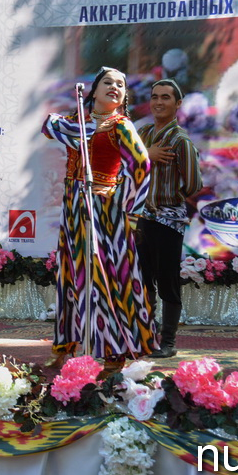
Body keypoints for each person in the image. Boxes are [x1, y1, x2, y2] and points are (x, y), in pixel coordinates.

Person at [42, 67, 156, 374]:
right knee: (71, 273)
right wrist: (80, 122)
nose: (115, 87)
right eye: (108, 82)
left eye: (121, 85)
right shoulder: (76, 123)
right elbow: (48, 126)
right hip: (73, 208)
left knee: (104, 277)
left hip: (104, 213)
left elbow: (142, 165)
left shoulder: (121, 126)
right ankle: (66, 347)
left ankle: (113, 352)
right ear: (94, 91)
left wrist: (124, 202)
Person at [136, 79, 203, 358]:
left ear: (178, 104)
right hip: (141, 219)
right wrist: (145, 156)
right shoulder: (142, 134)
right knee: (142, 279)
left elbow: (193, 185)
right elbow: (124, 163)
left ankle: (169, 342)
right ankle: (147, 336)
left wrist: (168, 195)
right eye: (154, 97)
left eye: (166, 97)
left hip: (168, 222)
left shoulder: (181, 141)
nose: (158, 102)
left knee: (167, 282)